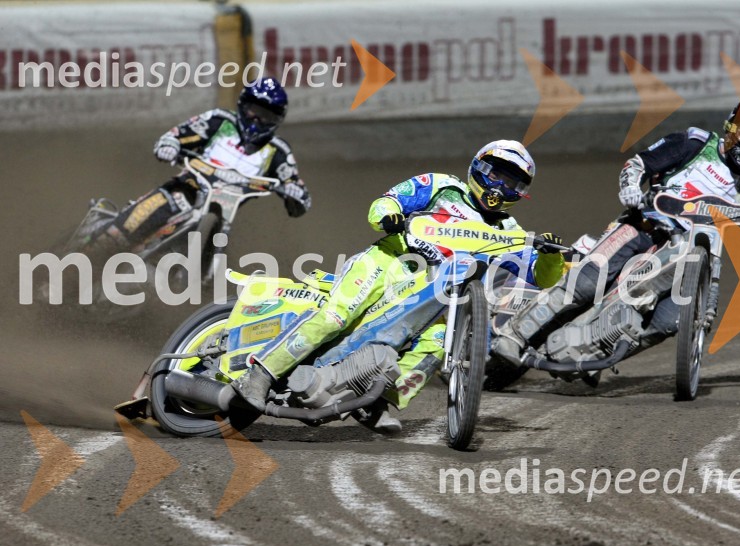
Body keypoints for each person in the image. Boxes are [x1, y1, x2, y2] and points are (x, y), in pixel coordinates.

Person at [232, 139, 567, 432]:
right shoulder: (442, 186)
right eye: (497, 175)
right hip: (389, 264)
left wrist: (550, 254)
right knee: (336, 317)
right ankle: (259, 374)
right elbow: (387, 202)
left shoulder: (510, 231)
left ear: (520, 193)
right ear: (479, 168)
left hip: (428, 297)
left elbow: (542, 276)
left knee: (438, 344)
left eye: (511, 183)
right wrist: (389, 216)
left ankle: (374, 400)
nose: (499, 187)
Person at [492, 95, 740, 366]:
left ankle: (592, 351)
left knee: (671, 321)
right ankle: (513, 336)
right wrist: (629, 188)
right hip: (644, 225)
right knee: (586, 284)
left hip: (694, 257)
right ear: (732, 125)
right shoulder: (694, 143)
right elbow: (639, 164)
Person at [86, 78, 310, 257]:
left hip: (222, 215)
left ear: (277, 119)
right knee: (130, 226)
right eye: (254, 110)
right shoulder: (219, 120)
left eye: (266, 115)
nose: (257, 120)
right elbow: (175, 136)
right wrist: (169, 146)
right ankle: (75, 265)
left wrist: (294, 194)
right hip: (184, 192)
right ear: (243, 105)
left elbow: (299, 194)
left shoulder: (278, 151)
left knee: (221, 260)